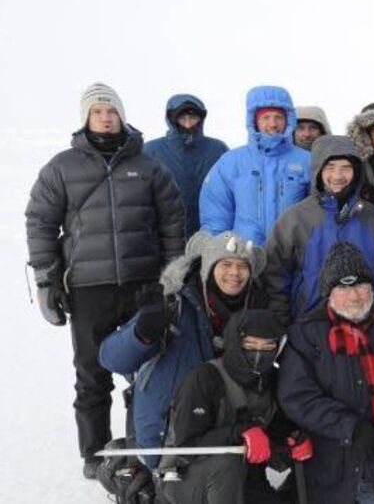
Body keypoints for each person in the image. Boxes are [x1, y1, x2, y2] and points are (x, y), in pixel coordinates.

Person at [25, 82, 185, 478]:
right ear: (86, 118)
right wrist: (47, 279)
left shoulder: (148, 167)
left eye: (112, 111)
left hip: (141, 284)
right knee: (91, 375)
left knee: (147, 369)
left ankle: (142, 445)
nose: (106, 117)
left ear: (122, 116)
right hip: (88, 287)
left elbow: (171, 223)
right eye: (97, 112)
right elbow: (40, 222)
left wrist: (172, 278)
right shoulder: (61, 168)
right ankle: (95, 454)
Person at [98, 230, 268, 469]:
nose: (234, 273)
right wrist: (142, 333)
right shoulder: (175, 304)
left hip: (228, 436)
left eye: (242, 266)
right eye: (226, 264)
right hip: (168, 437)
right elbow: (111, 358)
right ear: (208, 268)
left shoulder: (258, 313)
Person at [277, 242, 374, 504]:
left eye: (360, 285)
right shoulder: (306, 334)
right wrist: (350, 426)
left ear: (372, 287)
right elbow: (296, 396)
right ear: (328, 293)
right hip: (331, 472)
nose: (353, 296)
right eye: (343, 288)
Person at [159, 309, 301, 504]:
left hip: (245, 481)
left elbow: (275, 434)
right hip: (184, 477)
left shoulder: (275, 382)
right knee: (227, 462)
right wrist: (240, 433)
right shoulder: (204, 378)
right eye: (250, 345)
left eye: (268, 346)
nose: (259, 354)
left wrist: (292, 441)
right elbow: (186, 445)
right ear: (235, 343)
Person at [264, 135, 374, 320]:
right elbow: (275, 276)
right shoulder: (295, 219)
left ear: (357, 171)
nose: (338, 176)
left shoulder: (372, 217)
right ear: (317, 170)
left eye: (346, 167)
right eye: (330, 167)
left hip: (365, 320)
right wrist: (282, 321)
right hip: (309, 320)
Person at [199, 85, 311, 245]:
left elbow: (319, 213)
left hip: (294, 254)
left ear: (288, 120)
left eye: (279, 117)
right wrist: (221, 251)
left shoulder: (306, 161)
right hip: (243, 255)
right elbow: (216, 216)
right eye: (265, 117)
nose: (272, 124)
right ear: (254, 121)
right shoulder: (231, 162)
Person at [143, 93, 229, 237]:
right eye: (182, 118)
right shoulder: (151, 151)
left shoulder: (217, 149)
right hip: (166, 233)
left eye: (193, 118)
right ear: (172, 119)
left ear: (201, 119)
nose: (188, 124)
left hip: (209, 232)